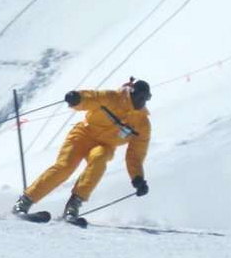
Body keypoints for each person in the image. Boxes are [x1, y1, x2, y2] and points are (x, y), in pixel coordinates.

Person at [13, 78, 152, 221]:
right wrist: (77, 98)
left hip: (105, 145)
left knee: (99, 158)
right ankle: (24, 203)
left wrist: (137, 178)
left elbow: (135, 154)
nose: (141, 101)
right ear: (131, 93)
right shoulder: (112, 98)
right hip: (83, 135)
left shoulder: (142, 123)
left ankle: (73, 206)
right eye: (139, 96)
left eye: (145, 98)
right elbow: (91, 98)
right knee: (65, 167)